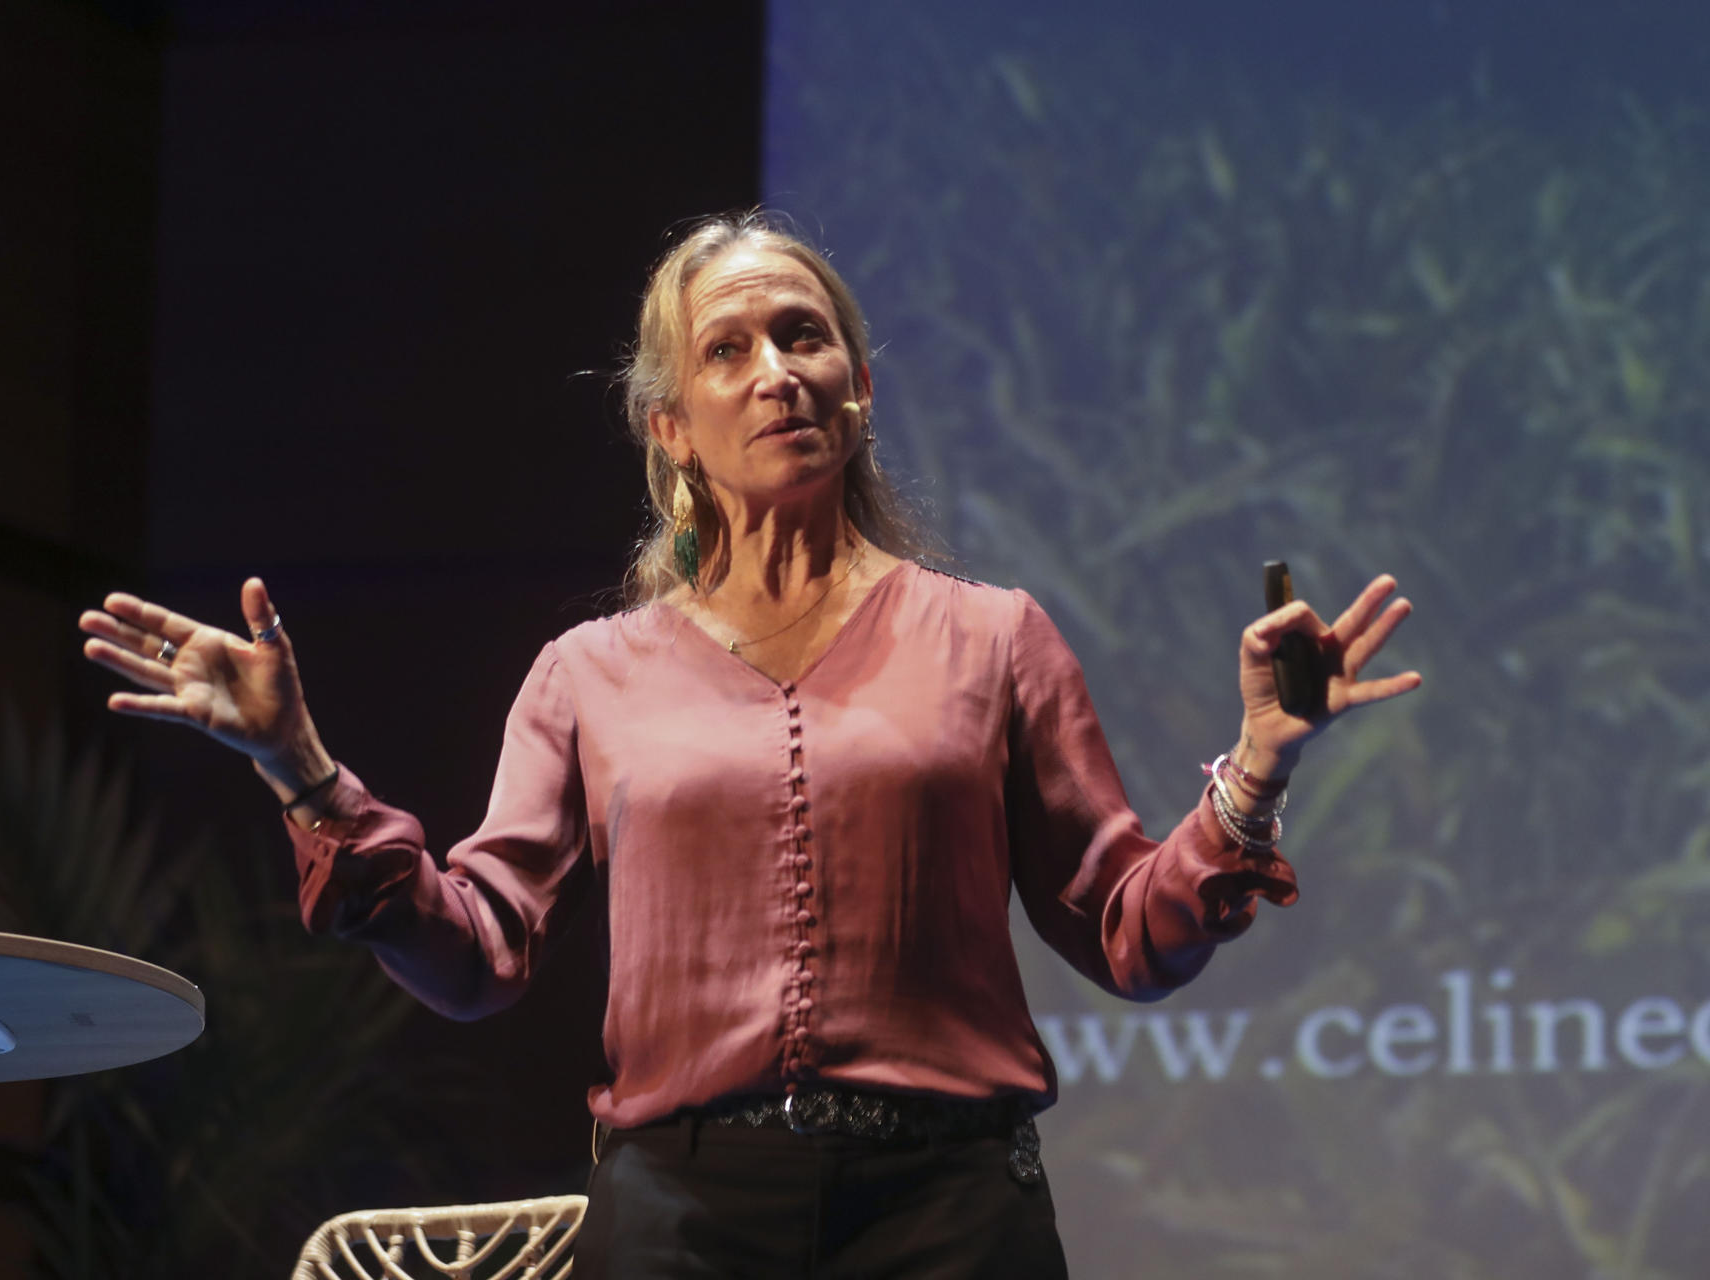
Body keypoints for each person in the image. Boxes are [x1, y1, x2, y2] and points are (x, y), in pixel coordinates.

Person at [78, 211, 1420, 1277]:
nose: (776, 372)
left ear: (859, 383)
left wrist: (1257, 767)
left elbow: (1133, 931)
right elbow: (477, 954)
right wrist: (303, 770)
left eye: (804, 337)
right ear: (670, 429)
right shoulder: (590, 675)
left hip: (949, 1217)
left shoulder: (995, 638)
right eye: (730, 350)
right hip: (680, 1223)